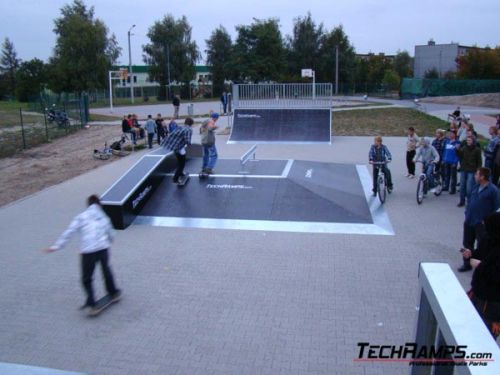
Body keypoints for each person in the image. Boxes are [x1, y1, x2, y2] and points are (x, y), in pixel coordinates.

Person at [43, 195, 121, 316]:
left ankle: (93, 305)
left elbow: (69, 232)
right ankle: (114, 293)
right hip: (103, 248)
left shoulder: (81, 217)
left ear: (88, 205)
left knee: (87, 278)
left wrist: (56, 246)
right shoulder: (103, 216)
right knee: (106, 271)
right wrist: (110, 241)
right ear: (99, 205)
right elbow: (110, 231)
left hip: (88, 251)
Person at [462, 212, 500, 338]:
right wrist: (469, 255)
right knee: (469, 328)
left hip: (492, 303)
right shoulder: (488, 239)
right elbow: (478, 254)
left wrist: (480, 265)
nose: (484, 228)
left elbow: (496, 275)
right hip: (477, 293)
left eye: (486, 225)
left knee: (486, 335)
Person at [459, 167, 500, 272]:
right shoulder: (476, 186)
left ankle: (482, 267)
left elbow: (497, 208)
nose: (475, 176)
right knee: (467, 243)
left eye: (477, 174)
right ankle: (467, 263)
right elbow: (470, 200)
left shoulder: (493, 190)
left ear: (482, 177)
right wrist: (467, 212)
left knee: (482, 245)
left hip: (481, 223)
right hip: (469, 220)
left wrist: (487, 221)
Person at [162, 117, 194, 183]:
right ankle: (175, 178)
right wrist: (191, 147)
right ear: (191, 124)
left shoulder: (180, 127)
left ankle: (181, 172)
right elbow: (187, 140)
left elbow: (172, 134)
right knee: (182, 163)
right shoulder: (189, 129)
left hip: (173, 146)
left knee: (180, 161)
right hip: (178, 147)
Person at [456, 136, 482, 207]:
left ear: (473, 141)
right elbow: (460, 156)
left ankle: (470, 201)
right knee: (462, 186)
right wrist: (457, 150)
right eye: (467, 140)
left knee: (469, 187)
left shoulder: (477, 150)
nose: (468, 142)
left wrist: (478, 170)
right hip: (464, 169)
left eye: (469, 140)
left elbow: (479, 162)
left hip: (472, 170)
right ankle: (462, 201)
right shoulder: (464, 148)